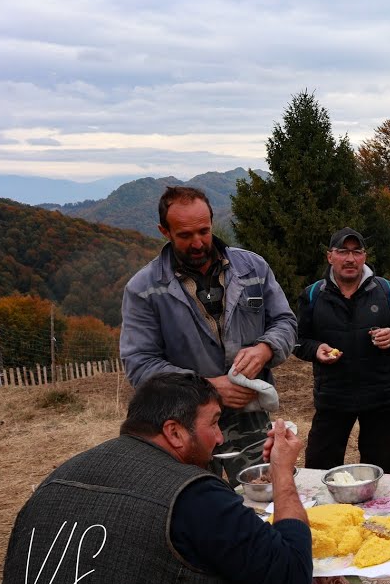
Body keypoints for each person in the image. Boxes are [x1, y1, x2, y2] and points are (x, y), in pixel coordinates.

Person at [0, 372, 340, 584]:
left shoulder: (58, 478)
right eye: (214, 423)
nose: (220, 437)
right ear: (175, 432)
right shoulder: (194, 495)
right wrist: (281, 472)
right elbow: (292, 572)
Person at [119, 185, 298, 486]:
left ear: (212, 222)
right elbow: (140, 364)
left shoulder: (253, 268)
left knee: (264, 494)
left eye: (204, 231)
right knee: (196, 499)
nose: (198, 242)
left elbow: (285, 322)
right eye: (185, 235)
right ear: (164, 231)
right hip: (185, 421)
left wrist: (266, 348)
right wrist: (206, 387)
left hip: (249, 413)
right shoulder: (143, 289)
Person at [293, 227, 390, 474]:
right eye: (343, 251)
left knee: (381, 471)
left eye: (356, 252)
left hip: (381, 396)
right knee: (319, 468)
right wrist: (316, 349)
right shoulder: (313, 294)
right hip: (333, 396)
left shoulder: (385, 289)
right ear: (330, 256)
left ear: (364, 256)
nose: (350, 258)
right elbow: (297, 341)